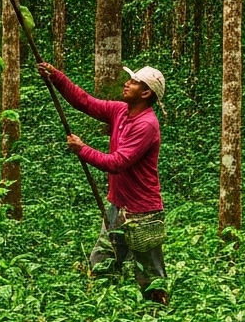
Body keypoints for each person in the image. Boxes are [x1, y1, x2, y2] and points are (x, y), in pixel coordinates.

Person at [39, 61, 168, 306]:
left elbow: (118, 162)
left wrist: (82, 150)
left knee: (151, 275)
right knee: (103, 260)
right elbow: (84, 102)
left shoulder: (146, 125)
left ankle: (158, 316)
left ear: (146, 92)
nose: (126, 84)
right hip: (117, 206)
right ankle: (105, 310)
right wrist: (56, 77)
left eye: (133, 82)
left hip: (142, 212)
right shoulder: (120, 111)